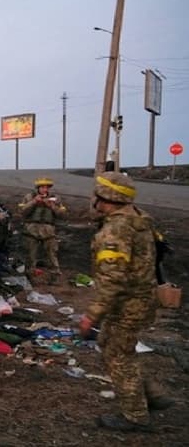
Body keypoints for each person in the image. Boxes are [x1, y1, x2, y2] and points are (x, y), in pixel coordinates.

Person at [79, 171, 174, 432]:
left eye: (96, 196)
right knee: (111, 344)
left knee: (118, 356)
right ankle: (152, 395)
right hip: (141, 298)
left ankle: (135, 416)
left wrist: (91, 315)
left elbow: (113, 279)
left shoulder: (115, 230)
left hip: (127, 304)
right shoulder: (138, 218)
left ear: (104, 198)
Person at [17, 177, 67, 282]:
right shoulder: (29, 197)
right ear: (38, 188)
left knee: (52, 255)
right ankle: (30, 277)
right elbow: (22, 211)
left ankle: (54, 277)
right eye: (43, 187)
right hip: (32, 230)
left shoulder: (55, 199)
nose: (45, 189)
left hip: (48, 230)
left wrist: (52, 206)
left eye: (47, 187)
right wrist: (34, 202)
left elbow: (63, 215)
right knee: (30, 255)